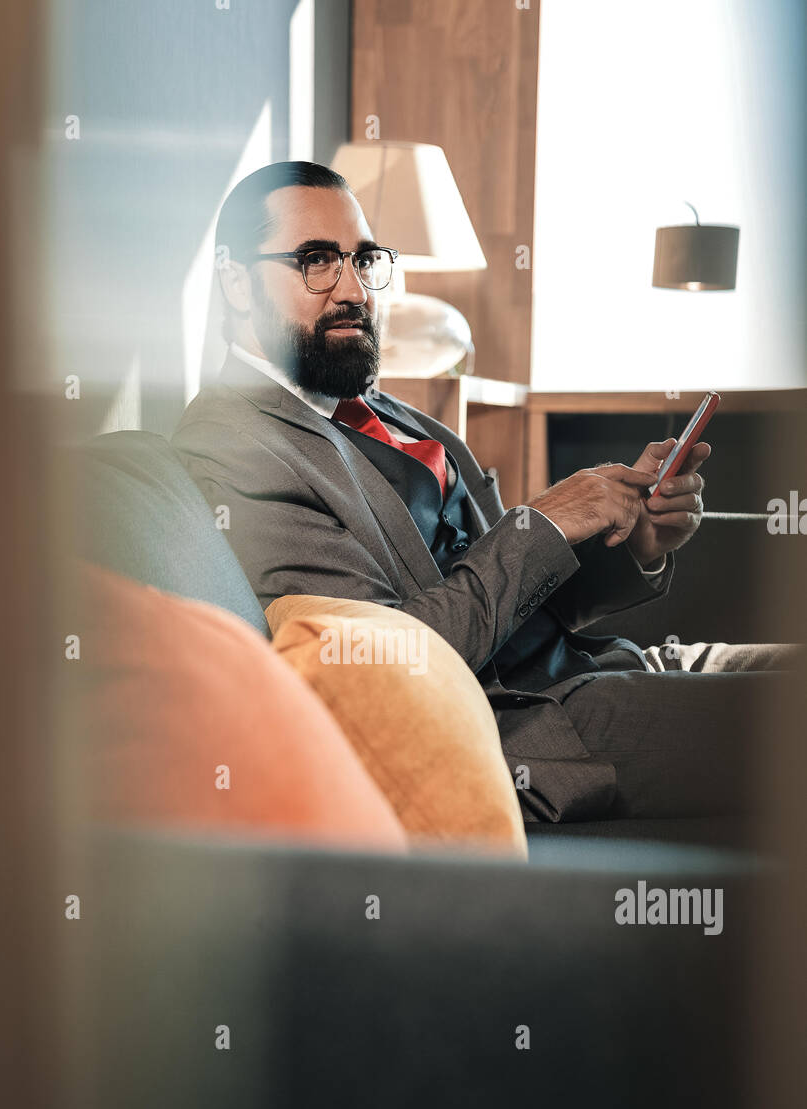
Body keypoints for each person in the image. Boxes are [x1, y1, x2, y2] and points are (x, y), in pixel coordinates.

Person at [172, 160, 792, 823]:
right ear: (236, 281)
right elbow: (389, 665)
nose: (353, 289)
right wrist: (538, 525)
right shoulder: (232, 450)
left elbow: (522, 605)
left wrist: (635, 544)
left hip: (608, 666)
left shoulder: (395, 415)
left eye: (364, 259)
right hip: (528, 730)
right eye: (316, 261)